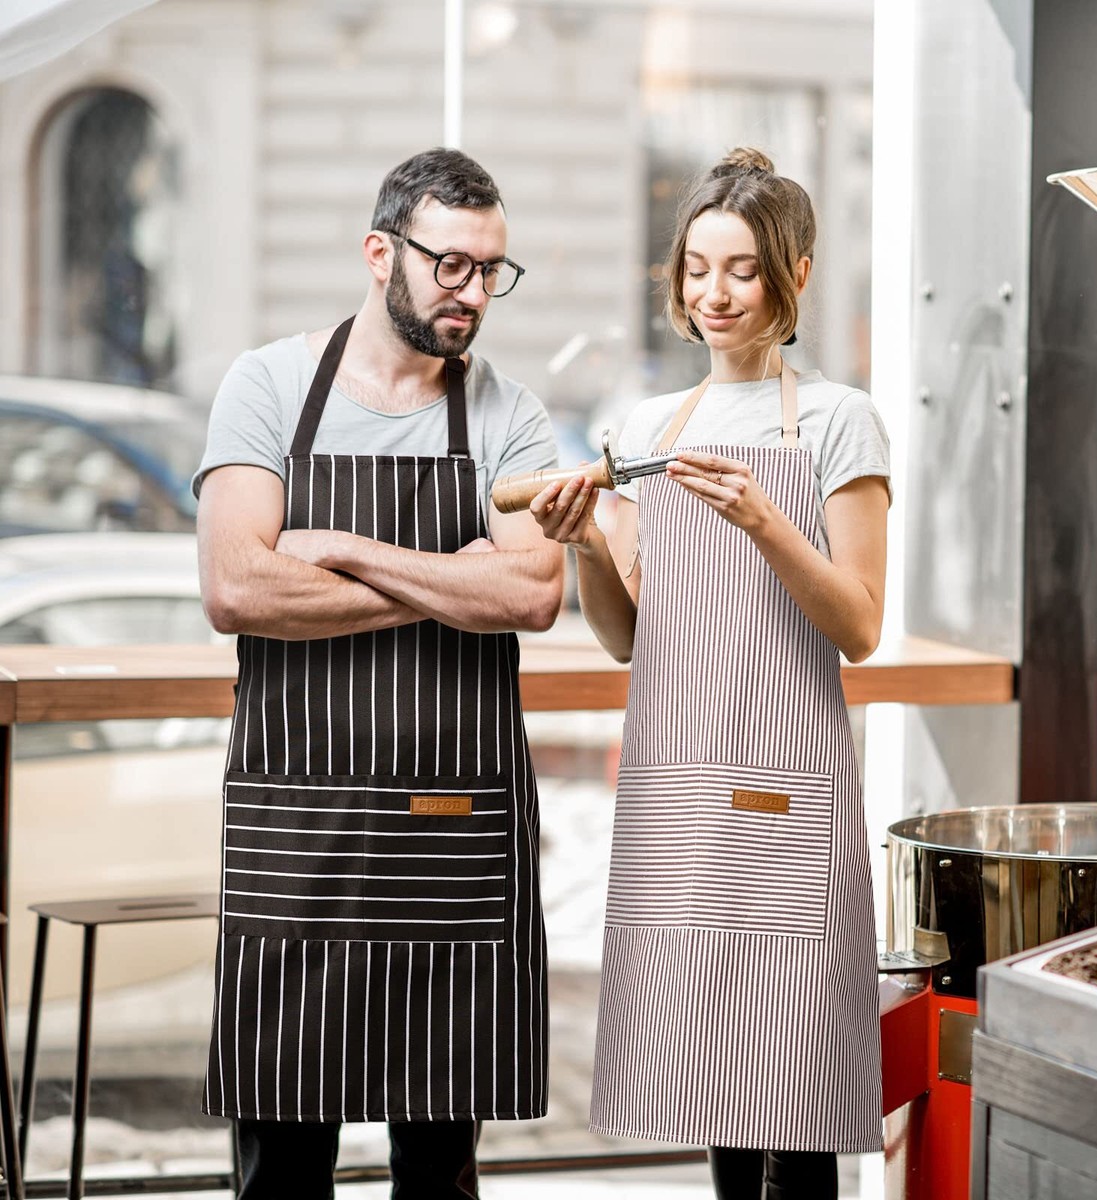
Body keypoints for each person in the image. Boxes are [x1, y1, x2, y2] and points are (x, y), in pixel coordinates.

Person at [193, 147, 563, 1199]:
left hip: (454, 834)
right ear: (379, 252)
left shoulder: (508, 411)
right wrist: (456, 575)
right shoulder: (266, 385)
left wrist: (345, 549)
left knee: (438, 1172)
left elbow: (533, 595)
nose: (474, 293)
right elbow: (237, 588)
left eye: (493, 270)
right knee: (282, 1172)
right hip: (296, 831)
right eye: (452, 266)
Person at [531, 148, 889, 1199]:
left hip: (785, 786)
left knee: (799, 1089)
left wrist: (765, 521)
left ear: (797, 277)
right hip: (681, 784)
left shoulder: (836, 420)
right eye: (696, 268)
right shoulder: (649, 431)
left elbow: (859, 625)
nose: (714, 294)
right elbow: (629, 641)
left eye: (740, 270)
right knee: (709, 1085)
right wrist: (584, 541)